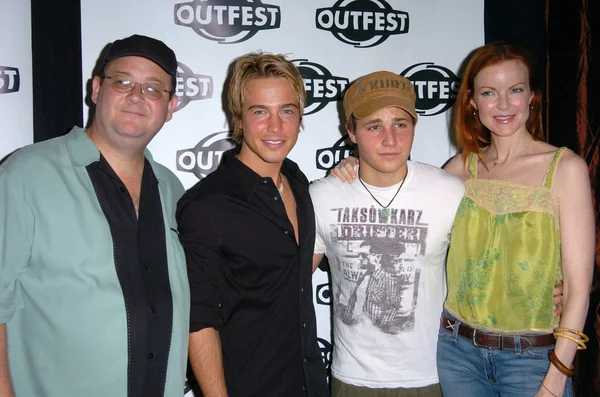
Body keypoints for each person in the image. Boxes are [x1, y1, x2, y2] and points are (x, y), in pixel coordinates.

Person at [0, 35, 189, 397]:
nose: (136, 96)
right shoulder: (27, 175)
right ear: (97, 89)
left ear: (170, 107)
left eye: (153, 88)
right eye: (123, 82)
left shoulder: (172, 190)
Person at [437, 42, 594, 397]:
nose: (504, 104)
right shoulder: (460, 169)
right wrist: (352, 166)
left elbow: (579, 289)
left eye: (516, 90)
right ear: (473, 102)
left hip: (534, 360)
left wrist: (555, 380)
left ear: (532, 96)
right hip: (456, 355)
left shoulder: (565, 169)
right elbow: (400, 204)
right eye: (490, 92)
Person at [176, 52, 329, 397]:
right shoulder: (207, 206)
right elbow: (198, 321)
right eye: (260, 111)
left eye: (286, 111)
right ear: (239, 118)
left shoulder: (298, 182)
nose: (275, 127)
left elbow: (291, 273)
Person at [311, 71, 465, 396]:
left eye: (400, 123)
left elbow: (482, 271)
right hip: (352, 379)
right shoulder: (322, 197)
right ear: (350, 131)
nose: (390, 139)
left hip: (430, 377)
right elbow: (287, 287)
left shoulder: (449, 193)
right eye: (373, 126)